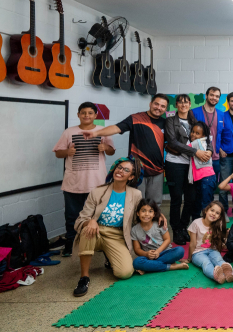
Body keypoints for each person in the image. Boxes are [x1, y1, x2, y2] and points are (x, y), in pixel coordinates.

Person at [72, 157, 155, 296]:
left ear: (131, 177)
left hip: (117, 235)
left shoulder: (136, 194)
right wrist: (90, 222)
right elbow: (81, 218)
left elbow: (139, 217)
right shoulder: (98, 192)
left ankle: (110, 258)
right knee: (87, 230)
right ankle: (84, 278)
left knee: (125, 272)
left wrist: (158, 216)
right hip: (96, 231)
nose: (120, 171)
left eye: (126, 170)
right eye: (119, 167)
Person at [80, 94, 169, 205]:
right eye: (156, 104)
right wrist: (96, 133)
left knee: (155, 204)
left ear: (165, 109)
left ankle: (154, 223)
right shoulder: (135, 118)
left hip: (157, 170)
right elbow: (117, 128)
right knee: (136, 203)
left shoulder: (165, 123)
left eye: (162, 106)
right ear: (150, 103)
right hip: (137, 169)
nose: (159, 108)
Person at [53, 102, 115, 256]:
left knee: (98, 215)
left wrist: (105, 148)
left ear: (95, 115)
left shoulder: (102, 131)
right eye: (83, 113)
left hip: (97, 183)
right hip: (73, 183)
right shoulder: (69, 132)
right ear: (78, 115)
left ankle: (96, 243)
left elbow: (112, 151)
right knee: (72, 216)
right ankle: (70, 243)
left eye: (90, 113)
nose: (86, 115)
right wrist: (68, 151)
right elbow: (58, 153)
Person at [165, 94, 212, 246]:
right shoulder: (171, 120)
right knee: (177, 198)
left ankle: (184, 226)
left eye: (186, 102)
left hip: (192, 165)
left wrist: (209, 150)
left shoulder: (194, 121)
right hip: (175, 163)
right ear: (176, 104)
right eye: (181, 102)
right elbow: (172, 142)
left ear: (190, 104)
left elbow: (207, 136)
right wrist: (195, 152)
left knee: (191, 198)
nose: (184, 105)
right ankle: (177, 229)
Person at [131, 200, 187, 275]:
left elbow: (167, 239)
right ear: (138, 213)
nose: (147, 214)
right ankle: (171, 267)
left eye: (150, 211)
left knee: (180, 250)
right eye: (143, 211)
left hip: (164, 253)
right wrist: (146, 254)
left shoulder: (159, 223)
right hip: (148, 256)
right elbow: (137, 249)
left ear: (154, 214)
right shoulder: (134, 230)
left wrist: (158, 251)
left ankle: (149, 267)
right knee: (136, 262)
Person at [188, 201, 233, 284]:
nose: (213, 214)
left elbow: (219, 242)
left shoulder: (218, 224)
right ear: (206, 211)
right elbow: (192, 243)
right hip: (198, 253)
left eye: (217, 213)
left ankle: (229, 274)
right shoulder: (196, 223)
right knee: (206, 262)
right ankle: (216, 276)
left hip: (213, 250)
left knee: (219, 260)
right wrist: (189, 258)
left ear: (219, 217)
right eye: (212, 210)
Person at [192, 86, 224, 203]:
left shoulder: (221, 115)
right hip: (198, 156)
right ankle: (197, 216)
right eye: (211, 95)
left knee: (211, 188)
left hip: (215, 158)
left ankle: (208, 214)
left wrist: (221, 149)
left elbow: (222, 134)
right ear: (206, 96)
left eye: (217, 96)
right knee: (197, 189)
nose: (214, 98)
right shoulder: (194, 112)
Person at [188, 122, 217, 220]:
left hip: (206, 179)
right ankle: (198, 224)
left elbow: (184, 148)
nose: (193, 135)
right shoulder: (205, 142)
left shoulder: (196, 143)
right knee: (201, 203)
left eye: (197, 133)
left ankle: (206, 226)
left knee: (206, 205)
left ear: (203, 136)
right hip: (203, 179)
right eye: (192, 132)